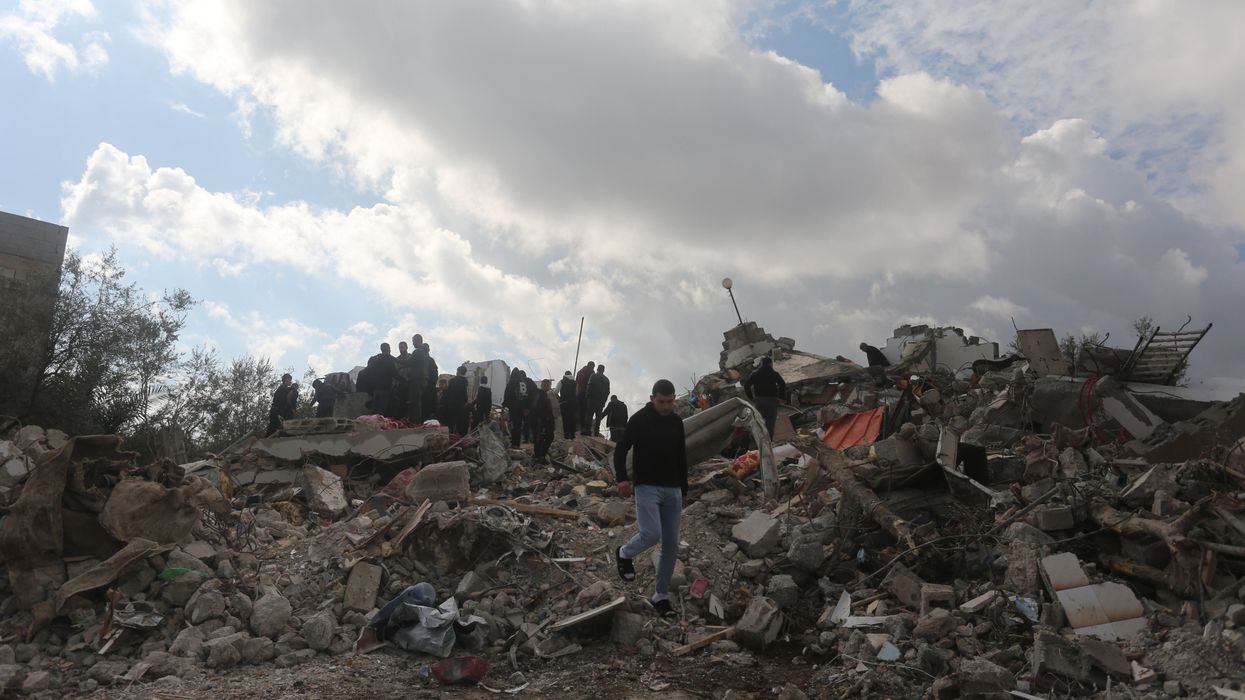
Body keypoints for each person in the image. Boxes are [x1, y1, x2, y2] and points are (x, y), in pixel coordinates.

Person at [613, 379, 688, 618]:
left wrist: (683, 489)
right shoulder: (639, 420)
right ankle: (624, 553)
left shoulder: (677, 422)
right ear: (652, 398)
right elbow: (621, 448)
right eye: (662, 402)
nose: (666, 407)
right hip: (647, 486)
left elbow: (681, 455)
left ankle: (660, 596)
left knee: (671, 545)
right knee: (651, 534)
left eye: (670, 401)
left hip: (673, 489)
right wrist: (622, 478)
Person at [743, 356, 787, 437]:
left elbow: (746, 386)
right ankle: (769, 443)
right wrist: (780, 397)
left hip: (759, 401)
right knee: (770, 424)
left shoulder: (755, 374)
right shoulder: (774, 373)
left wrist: (751, 398)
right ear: (770, 364)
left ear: (761, 364)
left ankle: (758, 442)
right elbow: (782, 385)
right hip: (771, 401)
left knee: (758, 422)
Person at [365, 343, 398, 415]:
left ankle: (372, 424)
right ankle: (378, 424)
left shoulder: (374, 359)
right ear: (389, 348)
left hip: (376, 388)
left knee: (375, 409)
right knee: (382, 410)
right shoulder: (390, 359)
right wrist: (404, 379)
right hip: (385, 388)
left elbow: (369, 372)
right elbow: (394, 373)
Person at [503, 368, 530, 448]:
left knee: (513, 425)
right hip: (521, 408)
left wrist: (505, 404)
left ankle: (514, 442)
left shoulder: (511, 382)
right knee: (518, 426)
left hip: (513, 408)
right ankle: (517, 443)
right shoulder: (523, 384)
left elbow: (507, 394)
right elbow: (525, 396)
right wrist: (526, 407)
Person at [532, 378, 556, 463]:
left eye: (548, 386)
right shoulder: (538, 395)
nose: (546, 387)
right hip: (540, 421)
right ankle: (538, 456)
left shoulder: (546, 396)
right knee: (539, 438)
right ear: (542, 386)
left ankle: (542, 455)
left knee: (549, 437)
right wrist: (543, 417)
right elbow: (535, 408)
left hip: (547, 422)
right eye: (545, 385)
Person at [407, 335, 429, 424]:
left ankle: (414, 422)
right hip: (423, 380)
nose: (412, 343)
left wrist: (394, 360)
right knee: (417, 402)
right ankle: (416, 421)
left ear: (418, 340)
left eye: (413, 341)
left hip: (417, 379)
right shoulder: (425, 353)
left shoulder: (418, 351)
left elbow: (408, 362)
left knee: (415, 403)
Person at [443, 366, 470, 435]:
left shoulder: (452, 381)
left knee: (450, 425)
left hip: (451, 405)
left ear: (457, 371)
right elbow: (465, 395)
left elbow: (447, 393)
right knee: (458, 425)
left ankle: (448, 437)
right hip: (460, 406)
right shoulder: (465, 383)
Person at [587, 364, 611, 437]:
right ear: (603, 370)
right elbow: (607, 392)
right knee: (598, 418)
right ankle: (596, 433)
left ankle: (587, 431)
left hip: (592, 399)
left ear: (597, 369)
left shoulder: (593, 376)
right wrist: (604, 401)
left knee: (589, 416)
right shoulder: (606, 380)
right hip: (601, 402)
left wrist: (587, 396)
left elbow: (589, 386)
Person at [393, 341, 413, 418]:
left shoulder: (411, 357)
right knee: (401, 404)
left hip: (410, 384)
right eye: (400, 348)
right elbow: (395, 373)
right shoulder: (396, 360)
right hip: (401, 385)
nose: (401, 349)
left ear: (406, 347)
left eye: (402, 347)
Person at [575, 361, 596, 435]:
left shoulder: (579, 372)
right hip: (587, 395)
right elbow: (592, 385)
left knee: (580, 411)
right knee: (587, 412)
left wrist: (577, 393)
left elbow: (577, 383)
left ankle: (579, 427)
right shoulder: (592, 372)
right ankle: (585, 429)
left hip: (579, 393)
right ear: (592, 366)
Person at [421, 344, 439, 422]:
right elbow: (435, 375)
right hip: (429, 389)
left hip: (425, 389)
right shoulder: (430, 360)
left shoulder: (427, 360)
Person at [557, 370, 578, 439]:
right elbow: (577, 393)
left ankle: (566, 436)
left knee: (565, 419)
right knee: (572, 419)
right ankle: (572, 436)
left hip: (564, 403)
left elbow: (555, 392)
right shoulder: (575, 383)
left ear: (565, 375)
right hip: (573, 403)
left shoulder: (561, 381)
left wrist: (559, 398)